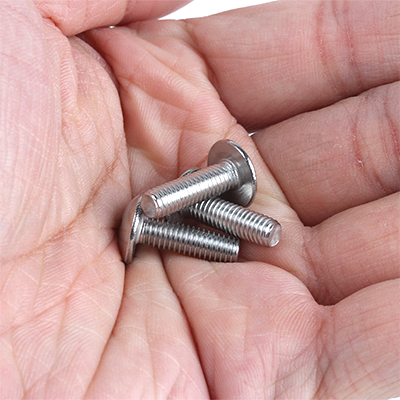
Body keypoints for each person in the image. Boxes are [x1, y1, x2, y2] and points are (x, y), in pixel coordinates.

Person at [1, 0, 399, 398]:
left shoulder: (198, 196)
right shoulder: (158, 203)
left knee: (221, 232)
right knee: (190, 222)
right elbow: (152, 205)